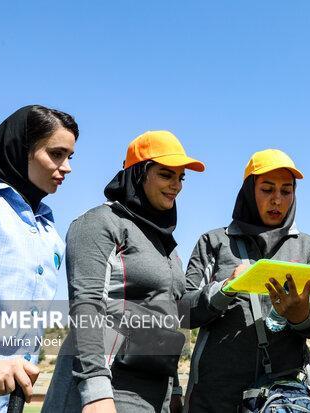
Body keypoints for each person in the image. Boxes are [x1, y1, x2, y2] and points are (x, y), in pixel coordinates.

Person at [42, 131, 204, 413]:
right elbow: (86, 308)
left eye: (181, 177)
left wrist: (174, 390)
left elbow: (165, 319)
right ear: (139, 174)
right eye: (166, 175)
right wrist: (95, 391)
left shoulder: (166, 247)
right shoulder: (99, 223)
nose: (176, 185)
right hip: (109, 388)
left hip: (156, 394)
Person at [183, 149, 310, 413]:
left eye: (287, 191)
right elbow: (183, 311)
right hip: (215, 397)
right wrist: (223, 290)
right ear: (249, 192)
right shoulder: (214, 242)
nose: (277, 200)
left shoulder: (308, 248)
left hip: (283, 400)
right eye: (267, 189)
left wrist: (301, 315)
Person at [0, 105, 78, 412]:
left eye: (70, 156)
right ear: (22, 149)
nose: (66, 167)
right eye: (56, 154)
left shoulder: (50, 232)